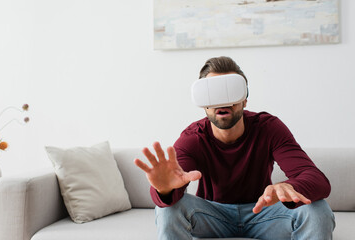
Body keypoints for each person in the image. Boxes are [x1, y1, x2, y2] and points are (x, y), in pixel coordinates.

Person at [134, 56, 335, 240]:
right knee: (167, 210)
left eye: (231, 91)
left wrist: (291, 186)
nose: (223, 101)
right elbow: (170, 194)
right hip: (212, 216)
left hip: (263, 213)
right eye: (214, 93)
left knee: (317, 209)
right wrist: (165, 189)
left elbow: (318, 181)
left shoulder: (268, 128)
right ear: (204, 103)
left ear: (245, 99)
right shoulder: (192, 138)